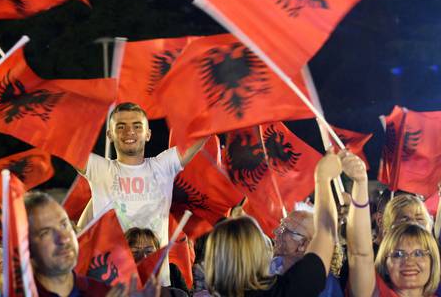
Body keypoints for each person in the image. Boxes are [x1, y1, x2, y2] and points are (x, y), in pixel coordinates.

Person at [76, 102, 206, 285]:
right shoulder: (99, 169)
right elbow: (64, 144)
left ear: (148, 134)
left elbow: (203, 134)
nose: (129, 132)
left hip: (156, 282)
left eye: (137, 126)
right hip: (111, 283)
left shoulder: (163, 166)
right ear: (110, 135)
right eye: (120, 127)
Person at [203, 149, 341, 296]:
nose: (271, 237)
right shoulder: (282, 292)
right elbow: (326, 233)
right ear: (252, 255)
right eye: (259, 238)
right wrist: (323, 178)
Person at [345, 152, 440, 297]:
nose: (409, 261)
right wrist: (360, 183)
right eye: (398, 254)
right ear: (384, 261)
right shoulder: (375, 293)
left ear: (433, 261)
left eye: (419, 253)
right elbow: (359, 254)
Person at [25, 191, 111, 296]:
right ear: (26, 246)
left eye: (64, 225)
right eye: (46, 232)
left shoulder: (104, 293)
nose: (64, 239)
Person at [271, 205, 344, 297]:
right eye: (281, 225)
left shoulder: (326, 289)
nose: (276, 231)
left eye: (285, 230)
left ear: (304, 244)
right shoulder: (270, 266)